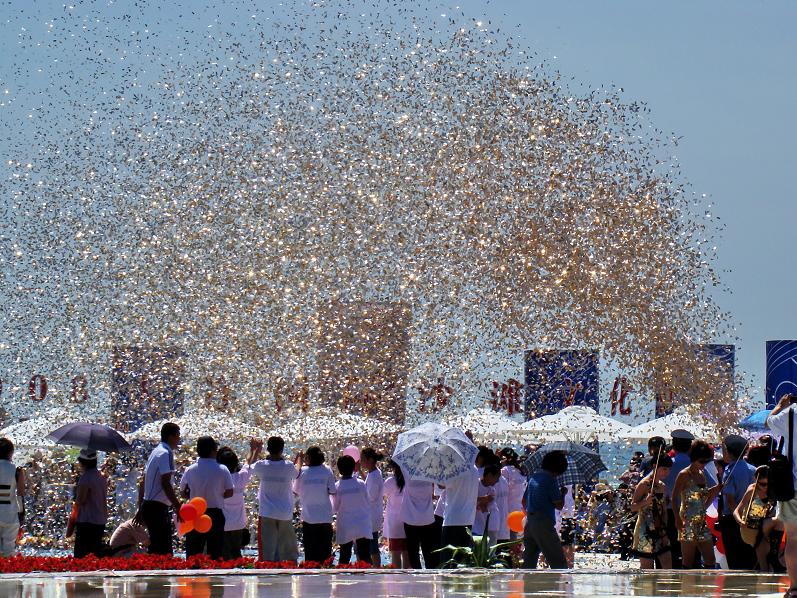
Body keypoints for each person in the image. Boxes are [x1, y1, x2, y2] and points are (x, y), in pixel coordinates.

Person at [180, 436, 234, 560]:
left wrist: (192, 496)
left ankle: (192, 577)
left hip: (195, 514)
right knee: (215, 553)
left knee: (194, 552)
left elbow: (182, 492)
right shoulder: (222, 469)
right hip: (215, 514)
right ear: (213, 450)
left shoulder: (190, 469)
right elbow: (230, 492)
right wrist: (219, 495)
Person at [672, 440, 723, 569]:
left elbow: (704, 495)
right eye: (701, 461)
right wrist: (677, 518)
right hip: (687, 520)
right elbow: (674, 497)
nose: (703, 465)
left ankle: (707, 586)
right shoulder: (684, 474)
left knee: (710, 559)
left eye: (706, 462)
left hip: (701, 519)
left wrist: (716, 490)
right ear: (694, 458)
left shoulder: (702, 474)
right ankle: (686, 586)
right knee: (688, 561)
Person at [251, 436, 300, 563]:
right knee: (288, 548)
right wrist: (299, 459)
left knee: (267, 548)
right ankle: (290, 568)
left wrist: (256, 450)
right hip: (284, 512)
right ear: (282, 449)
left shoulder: (262, 466)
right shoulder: (288, 466)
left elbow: (250, 465)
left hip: (267, 512)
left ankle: (267, 569)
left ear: (268, 449)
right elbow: (297, 473)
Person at [136, 422, 182, 555]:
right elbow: (165, 483)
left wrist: (141, 507)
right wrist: (177, 505)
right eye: (178, 435)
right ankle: (157, 574)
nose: (179, 439)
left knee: (157, 547)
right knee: (163, 550)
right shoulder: (165, 453)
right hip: (156, 508)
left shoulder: (155, 451)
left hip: (150, 505)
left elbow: (143, 482)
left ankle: (151, 573)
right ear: (171, 436)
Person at [767, 393, 797, 595]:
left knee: (793, 538)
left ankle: (795, 587)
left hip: (792, 486)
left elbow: (770, 422)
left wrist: (780, 405)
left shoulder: (791, 413)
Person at [522, 450, 569, 569]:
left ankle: (528, 585)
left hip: (529, 521)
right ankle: (559, 586)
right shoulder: (550, 480)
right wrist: (563, 493)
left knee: (529, 559)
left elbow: (523, 501)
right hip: (543, 522)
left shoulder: (534, 477)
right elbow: (558, 505)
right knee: (557, 560)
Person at [217, 439, 261, 560]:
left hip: (223, 523)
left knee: (224, 553)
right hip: (238, 523)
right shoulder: (241, 477)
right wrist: (254, 450)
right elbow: (249, 463)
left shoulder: (218, 479)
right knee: (236, 551)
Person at [734, 465, 783, 572]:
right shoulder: (752, 490)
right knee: (780, 521)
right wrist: (740, 521)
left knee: (765, 567)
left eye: (768, 484)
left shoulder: (772, 491)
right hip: (749, 528)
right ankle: (773, 555)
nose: (765, 487)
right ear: (755, 480)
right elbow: (736, 511)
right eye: (762, 484)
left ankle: (773, 553)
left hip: (762, 527)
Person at [293, 446, 336, 564]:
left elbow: (295, 490)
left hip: (308, 518)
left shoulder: (302, 472)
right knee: (325, 556)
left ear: (308, 457)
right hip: (325, 518)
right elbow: (333, 490)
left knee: (310, 556)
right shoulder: (327, 470)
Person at [720, 433, 756, 569]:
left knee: (734, 558)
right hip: (750, 517)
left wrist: (738, 518)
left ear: (728, 452)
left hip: (733, 519)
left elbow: (729, 499)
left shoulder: (730, 471)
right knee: (749, 556)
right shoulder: (753, 469)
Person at [630, 454, 673, 569]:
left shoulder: (662, 486)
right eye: (664, 469)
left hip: (660, 528)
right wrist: (645, 502)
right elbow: (633, 506)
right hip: (645, 529)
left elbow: (664, 511)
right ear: (655, 466)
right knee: (647, 567)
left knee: (667, 563)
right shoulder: (644, 484)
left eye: (669, 470)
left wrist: (664, 531)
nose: (666, 472)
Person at [662, 429, 695, 568]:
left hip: (669, 511)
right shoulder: (696, 466)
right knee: (691, 552)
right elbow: (713, 487)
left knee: (670, 548)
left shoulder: (666, 465)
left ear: (674, 445)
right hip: (692, 511)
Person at [439, 462, 480, 566]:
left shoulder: (455, 467)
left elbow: (441, 483)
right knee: (463, 560)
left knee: (448, 561)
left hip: (452, 519)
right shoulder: (474, 469)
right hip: (468, 518)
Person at [334, 455, 373, 564]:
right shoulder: (361, 484)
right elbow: (367, 501)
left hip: (346, 524)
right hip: (362, 523)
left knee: (344, 556)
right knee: (365, 556)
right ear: (353, 468)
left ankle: (342, 579)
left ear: (339, 469)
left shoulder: (337, 486)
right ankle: (370, 579)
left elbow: (335, 507)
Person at [74, 449, 108, 558]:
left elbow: (81, 500)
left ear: (83, 462)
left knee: (82, 555)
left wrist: (75, 500)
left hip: (87, 520)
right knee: (95, 554)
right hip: (100, 519)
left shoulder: (85, 477)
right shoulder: (102, 476)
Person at [400, 476, 439, 569]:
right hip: (427, 518)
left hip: (410, 519)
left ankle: (417, 577)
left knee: (413, 553)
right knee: (428, 552)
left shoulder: (407, 473)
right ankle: (431, 577)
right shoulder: (429, 475)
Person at [0, 438, 25, 557]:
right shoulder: (17, 470)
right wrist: (22, 514)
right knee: (9, 550)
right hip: (10, 513)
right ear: (11, 452)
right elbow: (20, 493)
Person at [383, 460, 409, 568]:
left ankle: (397, 582)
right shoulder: (409, 480)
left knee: (395, 554)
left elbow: (382, 494)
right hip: (408, 521)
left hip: (394, 523)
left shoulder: (390, 481)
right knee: (407, 555)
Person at [362, 447, 385, 566]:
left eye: (363, 459)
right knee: (372, 545)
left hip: (372, 515)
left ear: (370, 460)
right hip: (372, 514)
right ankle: (375, 567)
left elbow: (371, 496)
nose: (361, 462)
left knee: (373, 546)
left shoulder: (374, 475)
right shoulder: (374, 473)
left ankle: (376, 568)